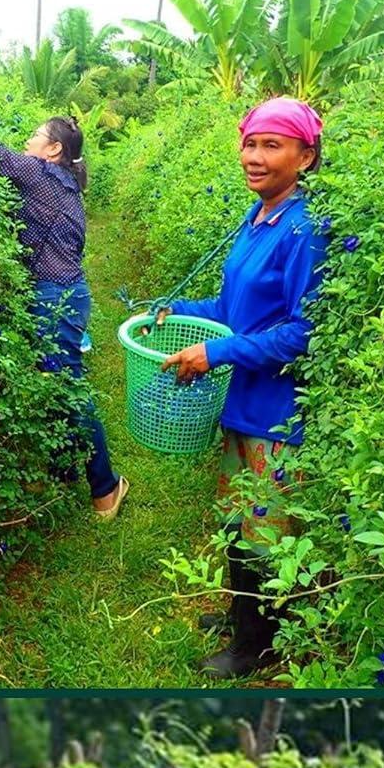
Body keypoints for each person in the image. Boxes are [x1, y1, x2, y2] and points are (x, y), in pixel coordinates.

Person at [158, 97, 327, 678]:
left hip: (276, 413)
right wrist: (179, 310)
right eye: (250, 143)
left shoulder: (304, 229)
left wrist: (218, 350)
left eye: (271, 145)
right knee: (239, 524)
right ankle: (242, 616)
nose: (254, 157)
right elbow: (235, 309)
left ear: (305, 156)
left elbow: (302, 333)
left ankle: (259, 645)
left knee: (265, 535)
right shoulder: (259, 220)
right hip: (243, 404)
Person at [0, 49, 128, 519]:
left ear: (53, 149)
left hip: (56, 297)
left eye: (35, 137)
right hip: (65, 294)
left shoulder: (40, 174)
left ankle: (105, 487)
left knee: (69, 390)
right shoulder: (66, 182)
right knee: (56, 384)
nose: (29, 141)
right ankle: (62, 468)